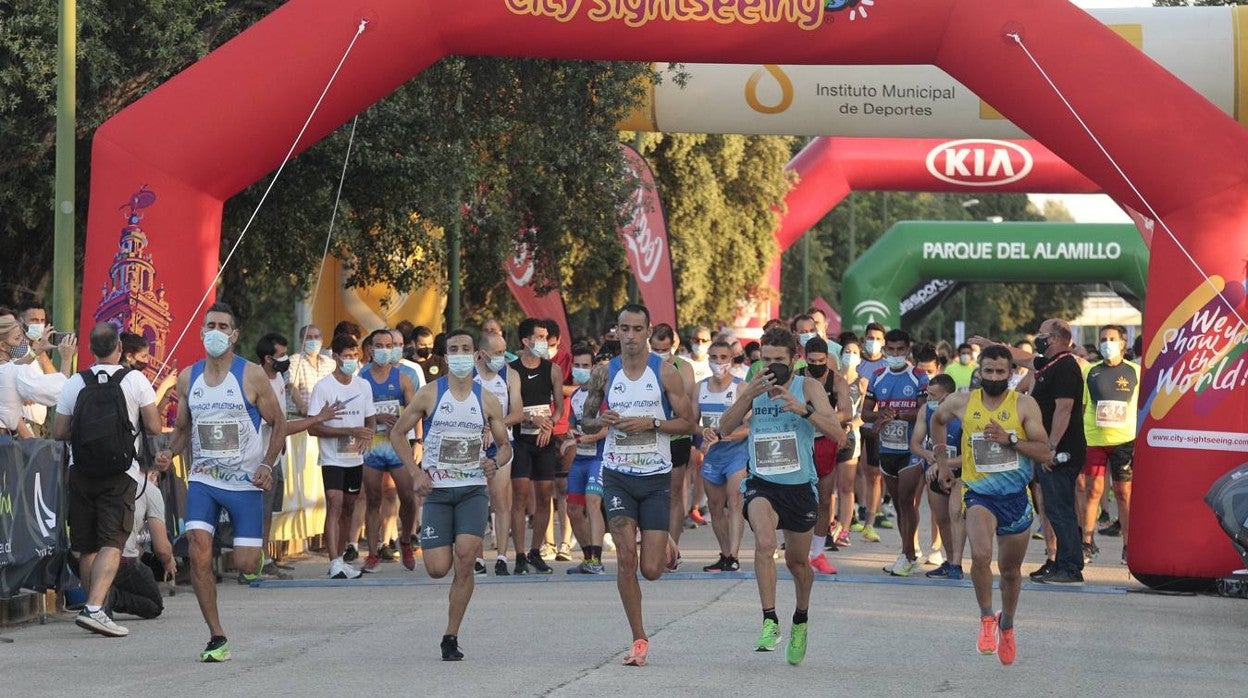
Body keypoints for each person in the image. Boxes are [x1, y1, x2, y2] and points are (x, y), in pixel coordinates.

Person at [158, 303, 286, 661]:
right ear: (201, 332)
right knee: (198, 550)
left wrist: (266, 464)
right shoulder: (188, 377)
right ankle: (217, 636)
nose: (215, 331)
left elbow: (279, 423)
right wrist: (170, 451)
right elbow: (182, 428)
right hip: (204, 479)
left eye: (222, 326)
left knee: (245, 564)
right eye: (210, 325)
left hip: (245, 483)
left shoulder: (251, 375)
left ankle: (255, 561)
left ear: (234, 335)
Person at [718, 327, 844, 666]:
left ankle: (800, 619)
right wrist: (746, 398)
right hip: (763, 482)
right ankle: (769, 620)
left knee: (798, 564)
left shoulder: (810, 387)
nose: (771, 366)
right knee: (763, 543)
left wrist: (802, 409)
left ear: (795, 360)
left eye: (779, 360)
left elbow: (838, 434)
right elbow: (725, 428)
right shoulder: (752, 388)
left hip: (800, 486)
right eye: (766, 359)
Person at [580, 303, 694, 667]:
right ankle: (639, 638)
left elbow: (689, 422)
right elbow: (585, 421)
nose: (629, 336)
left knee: (652, 570)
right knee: (626, 558)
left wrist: (651, 424)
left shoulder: (665, 373)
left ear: (648, 332)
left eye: (636, 329)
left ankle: (664, 544)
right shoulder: (603, 373)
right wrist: (602, 419)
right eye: (623, 329)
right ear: (616, 331)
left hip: (656, 477)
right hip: (617, 475)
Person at [389, 328, 512, 661]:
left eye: (466, 349)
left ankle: (450, 635)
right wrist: (415, 474)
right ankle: (449, 626)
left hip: (472, 490)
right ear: (446, 357)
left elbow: (505, 447)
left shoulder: (487, 399)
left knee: (465, 559)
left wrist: (494, 462)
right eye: (453, 349)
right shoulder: (430, 394)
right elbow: (397, 434)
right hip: (438, 493)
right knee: (437, 568)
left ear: (476, 356)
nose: (460, 355)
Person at [930, 344, 1053, 666]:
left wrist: (1010, 439)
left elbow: (1045, 451)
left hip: (1015, 497)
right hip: (978, 492)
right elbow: (937, 420)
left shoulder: (1024, 405)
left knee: (1011, 572)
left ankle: (1007, 625)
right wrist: (943, 462)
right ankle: (986, 618)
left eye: (1001, 372)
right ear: (979, 373)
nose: (994, 377)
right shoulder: (961, 401)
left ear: (1011, 374)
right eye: (988, 371)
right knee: (981, 556)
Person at [53, 322, 164, 638]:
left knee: (86, 546)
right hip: (121, 473)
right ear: (119, 347)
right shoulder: (136, 379)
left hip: (82, 470)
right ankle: (95, 609)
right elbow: (154, 426)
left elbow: (60, 431)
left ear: (90, 349)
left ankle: (96, 607)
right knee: (113, 542)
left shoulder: (76, 382)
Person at [255, 332, 343, 577]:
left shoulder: (279, 380)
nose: (286, 360)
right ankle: (254, 561)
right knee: (259, 512)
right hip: (260, 457)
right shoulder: (258, 382)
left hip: (274, 455)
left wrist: (280, 441)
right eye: (281, 355)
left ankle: (263, 557)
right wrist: (317, 419)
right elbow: (278, 424)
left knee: (268, 513)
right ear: (268, 358)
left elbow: (279, 426)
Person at [1020, 319, 1087, 584]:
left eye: (1042, 335)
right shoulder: (1050, 364)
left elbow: (1064, 410)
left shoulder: (1066, 367)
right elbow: (1026, 360)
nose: (1039, 339)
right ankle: (1059, 561)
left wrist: (1051, 448)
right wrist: (994, 347)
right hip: (1050, 450)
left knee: (1060, 509)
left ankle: (1071, 567)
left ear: (1058, 338)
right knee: (1052, 507)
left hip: (1062, 451)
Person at [307, 333, 377, 580]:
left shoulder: (363, 386)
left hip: (354, 458)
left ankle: (343, 557)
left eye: (354, 355)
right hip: (332, 458)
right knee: (334, 502)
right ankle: (334, 561)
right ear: (335, 357)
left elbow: (370, 417)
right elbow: (312, 427)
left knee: (349, 506)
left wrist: (367, 434)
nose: (351, 360)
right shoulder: (323, 387)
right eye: (346, 356)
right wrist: (349, 430)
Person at [863, 329, 929, 576]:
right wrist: (881, 415)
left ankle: (908, 554)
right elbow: (865, 413)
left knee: (906, 499)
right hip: (888, 448)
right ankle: (907, 554)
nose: (895, 354)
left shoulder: (919, 376)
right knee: (900, 507)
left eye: (900, 350)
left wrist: (899, 415)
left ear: (908, 351)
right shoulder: (878, 376)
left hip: (912, 448)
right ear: (885, 350)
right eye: (891, 350)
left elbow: (924, 411)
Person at [358, 329, 419, 572]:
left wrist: (419, 441)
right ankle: (372, 553)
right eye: (379, 345)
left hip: (397, 446)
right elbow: (355, 411)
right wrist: (375, 415)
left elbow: (416, 411)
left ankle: (405, 541)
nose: (384, 349)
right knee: (373, 499)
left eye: (389, 345)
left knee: (408, 497)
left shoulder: (403, 377)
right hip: (372, 446)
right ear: (370, 349)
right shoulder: (361, 378)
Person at [1078, 325, 1138, 566]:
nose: (1107, 343)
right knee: (1093, 491)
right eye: (1103, 339)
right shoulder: (1091, 371)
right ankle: (1087, 543)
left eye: (1112, 339)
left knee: (1124, 494)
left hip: (1124, 440)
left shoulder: (1136, 372)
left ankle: (1128, 546)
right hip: (1095, 439)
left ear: (1123, 343)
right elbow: (1084, 407)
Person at [509, 317, 564, 574]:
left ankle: (535, 551)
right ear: (526, 341)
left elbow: (559, 407)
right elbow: (510, 407)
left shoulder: (552, 369)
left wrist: (550, 424)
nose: (544, 342)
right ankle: (519, 554)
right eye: (540, 337)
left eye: (545, 337)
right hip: (520, 440)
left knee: (545, 497)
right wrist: (531, 418)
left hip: (544, 440)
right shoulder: (511, 370)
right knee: (519, 497)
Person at [693, 340, 750, 572]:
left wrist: (725, 435)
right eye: (714, 357)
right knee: (715, 507)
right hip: (712, 456)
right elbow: (691, 422)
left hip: (736, 453)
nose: (718, 363)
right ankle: (725, 554)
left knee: (735, 502)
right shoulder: (700, 387)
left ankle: (735, 555)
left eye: (723, 357)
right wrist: (703, 431)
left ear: (731, 359)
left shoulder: (740, 387)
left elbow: (750, 426)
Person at [798, 337, 851, 575]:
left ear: (828, 358)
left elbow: (847, 412)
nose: (817, 365)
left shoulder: (836, 380)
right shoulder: (796, 376)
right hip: (799, 441)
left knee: (824, 499)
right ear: (804, 358)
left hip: (824, 441)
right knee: (796, 497)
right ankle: (797, 550)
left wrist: (817, 416)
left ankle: (817, 553)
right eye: (812, 361)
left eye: (821, 361)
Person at [473, 330, 524, 575]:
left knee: (500, 500)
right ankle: (477, 557)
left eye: (504, 352)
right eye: (497, 353)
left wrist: (496, 426)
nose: (502, 357)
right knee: (476, 499)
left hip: (501, 442)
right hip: (473, 444)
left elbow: (519, 412)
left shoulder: (510, 374)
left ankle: (502, 555)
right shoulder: (468, 375)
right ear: (482, 354)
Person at [648, 323, 697, 560]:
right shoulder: (642, 366)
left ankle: (672, 549)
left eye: (664, 349)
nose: (660, 353)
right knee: (651, 493)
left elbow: (684, 401)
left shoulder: (683, 367)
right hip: (650, 436)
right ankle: (655, 546)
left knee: (674, 494)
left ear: (673, 347)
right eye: (655, 349)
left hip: (676, 436)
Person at [911, 374, 965, 579]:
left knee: (956, 515)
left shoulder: (963, 413)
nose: (929, 399)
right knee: (941, 518)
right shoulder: (926, 410)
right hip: (935, 470)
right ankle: (950, 561)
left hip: (959, 472)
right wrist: (928, 456)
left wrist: (943, 463)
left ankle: (957, 564)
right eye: (927, 394)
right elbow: (915, 443)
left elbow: (969, 456)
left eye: (934, 395)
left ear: (948, 396)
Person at [109, 470, 175, 620]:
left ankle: (95, 597)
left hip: (82, 558)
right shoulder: (149, 489)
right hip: (119, 558)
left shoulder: (100, 478)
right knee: (154, 605)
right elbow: (162, 549)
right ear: (153, 475)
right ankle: (109, 596)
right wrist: (169, 561)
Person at [566, 343, 608, 574]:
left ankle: (598, 560)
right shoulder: (574, 396)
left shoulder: (599, 395)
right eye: (577, 365)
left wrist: (581, 440)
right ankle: (587, 557)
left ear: (594, 368)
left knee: (593, 503)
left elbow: (605, 430)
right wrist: (570, 434)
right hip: (580, 460)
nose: (580, 369)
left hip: (598, 458)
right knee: (572, 508)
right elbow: (571, 425)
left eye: (585, 366)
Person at [1, 311, 75, 439]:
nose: (21, 343)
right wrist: (67, 358)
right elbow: (60, 389)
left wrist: (39, 350)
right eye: (17, 338)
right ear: (2, 346)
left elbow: (10, 369)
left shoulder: (8, 371)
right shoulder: (17, 373)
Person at [854, 322, 890, 541]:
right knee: (852, 474)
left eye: (877, 338)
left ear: (883, 342)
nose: (873, 342)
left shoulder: (887, 365)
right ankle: (852, 515)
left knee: (874, 475)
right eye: (870, 338)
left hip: (875, 427)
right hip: (853, 425)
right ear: (864, 339)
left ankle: (870, 521)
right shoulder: (856, 362)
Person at [287, 324, 335, 418]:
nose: (313, 340)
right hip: (301, 417)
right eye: (309, 337)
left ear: (321, 340)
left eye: (316, 337)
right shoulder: (294, 360)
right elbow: (291, 385)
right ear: (302, 341)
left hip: (325, 418)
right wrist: (302, 406)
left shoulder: (330, 363)